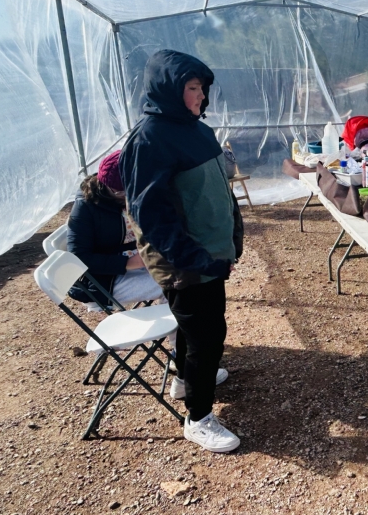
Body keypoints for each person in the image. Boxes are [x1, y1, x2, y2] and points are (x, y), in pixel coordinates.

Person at [120, 49, 244, 453]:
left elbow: (217, 186)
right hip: (185, 258)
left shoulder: (195, 127)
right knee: (208, 334)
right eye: (192, 88)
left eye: (203, 88)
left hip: (210, 252)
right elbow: (150, 214)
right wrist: (193, 258)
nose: (201, 96)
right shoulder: (150, 138)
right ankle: (198, 417)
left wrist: (232, 234)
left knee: (199, 329)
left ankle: (183, 380)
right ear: (170, 89)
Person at [67, 150, 165, 311]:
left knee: (187, 273)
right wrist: (130, 262)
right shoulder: (86, 206)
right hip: (106, 280)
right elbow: (78, 257)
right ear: (112, 189)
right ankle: (181, 336)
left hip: (144, 262)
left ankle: (182, 334)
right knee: (177, 284)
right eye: (128, 192)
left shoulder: (137, 190)